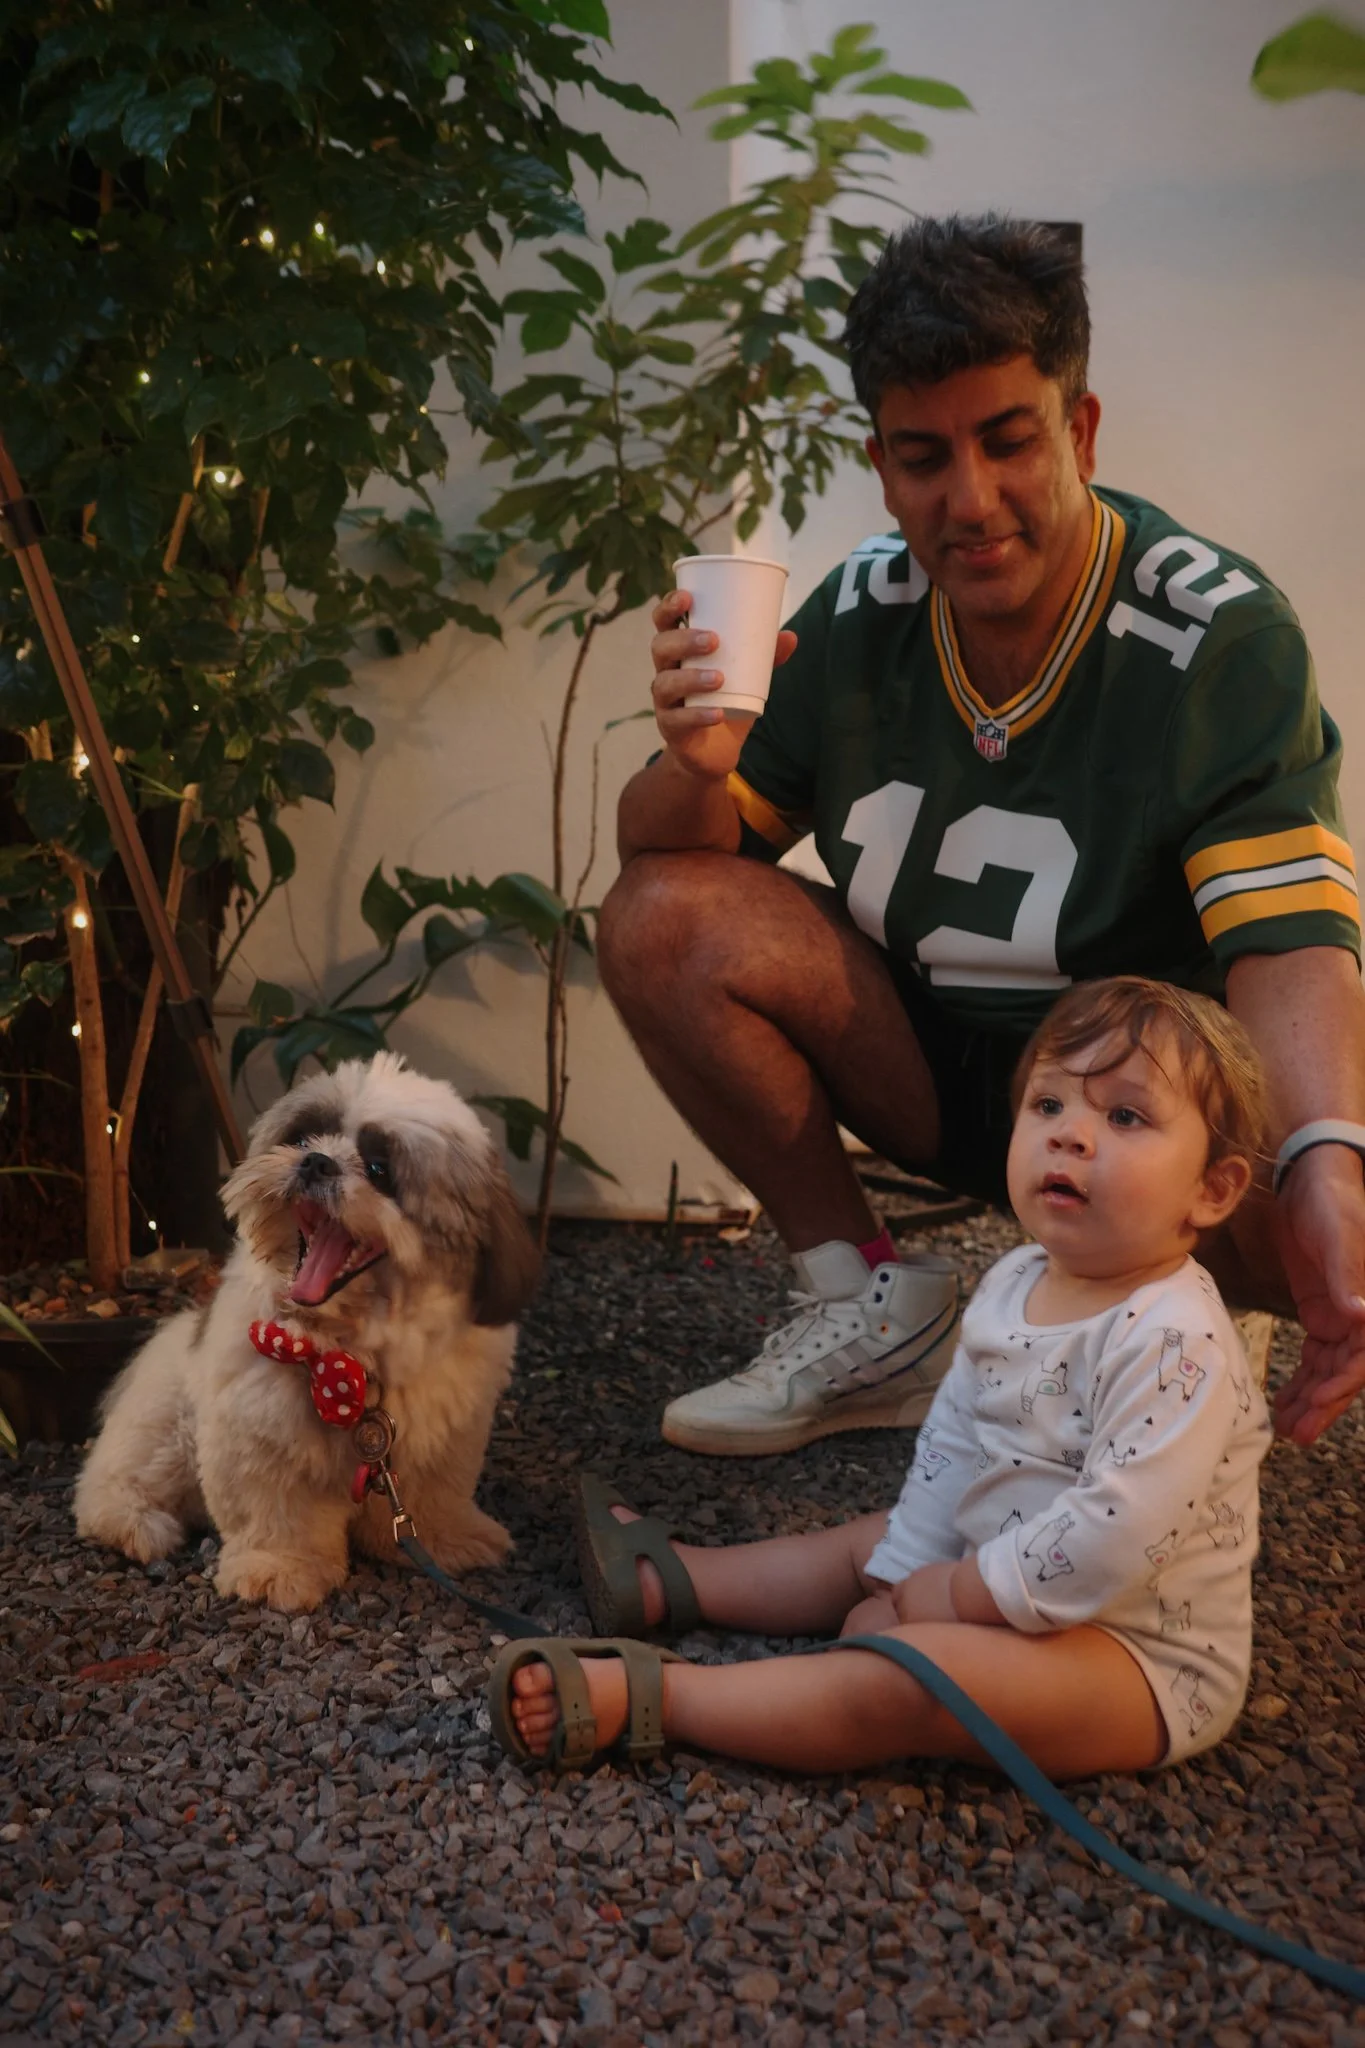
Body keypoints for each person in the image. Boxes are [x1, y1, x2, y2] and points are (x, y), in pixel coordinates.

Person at [596, 213, 1365, 1456]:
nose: (970, 498)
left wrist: (1328, 1155)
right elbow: (666, 862)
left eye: (1008, 440)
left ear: (1081, 426)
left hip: (1156, 1111)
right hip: (946, 1072)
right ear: (881, 462)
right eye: (923, 457)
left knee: (1338, 1208)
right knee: (659, 913)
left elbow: (1289, 935)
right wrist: (696, 764)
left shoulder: (1216, 634)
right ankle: (870, 1310)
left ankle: (1178, 1287)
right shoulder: (855, 611)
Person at [491, 977, 1273, 1780]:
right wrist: (905, 1575)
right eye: (1047, 1106)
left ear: (1211, 1190)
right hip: (1004, 1564)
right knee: (871, 1540)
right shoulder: (1015, 1280)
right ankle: (672, 1578)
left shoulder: (1179, 1341)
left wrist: (954, 1598)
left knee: (912, 1685)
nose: (1070, 1135)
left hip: (1129, 1655)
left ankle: (669, 1700)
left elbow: (1115, 1532)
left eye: (1123, 1116)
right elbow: (954, 1442)